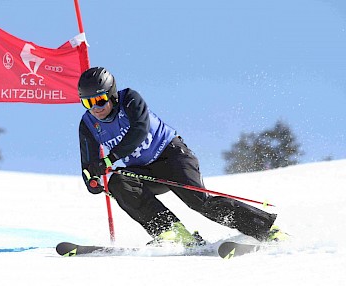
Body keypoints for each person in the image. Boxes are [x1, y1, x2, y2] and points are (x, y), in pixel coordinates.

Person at [78, 67, 285, 247]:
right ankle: (172, 232)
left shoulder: (130, 99)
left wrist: (110, 158)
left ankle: (267, 230)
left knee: (200, 202)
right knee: (119, 182)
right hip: (145, 170)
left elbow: (139, 131)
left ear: (111, 94)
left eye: (100, 100)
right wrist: (93, 180)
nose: (96, 108)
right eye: (88, 103)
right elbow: (88, 165)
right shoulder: (88, 125)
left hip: (173, 156)